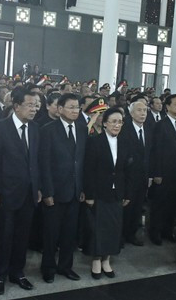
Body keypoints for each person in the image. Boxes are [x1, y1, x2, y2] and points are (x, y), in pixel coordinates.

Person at [0, 87, 41, 295]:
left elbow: (36, 162)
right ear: (16, 106)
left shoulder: (35, 129)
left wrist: (38, 187)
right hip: (5, 193)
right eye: (29, 105)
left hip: (28, 192)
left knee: (22, 236)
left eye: (36, 105)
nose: (34, 109)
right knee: (3, 237)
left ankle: (17, 272)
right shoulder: (0, 129)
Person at [39, 93, 85, 282]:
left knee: (69, 233)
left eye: (77, 108)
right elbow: (44, 163)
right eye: (71, 107)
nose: (75, 111)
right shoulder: (48, 130)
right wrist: (48, 191)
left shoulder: (82, 129)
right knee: (51, 233)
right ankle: (48, 267)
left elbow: (82, 161)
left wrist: (82, 188)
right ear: (59, 109)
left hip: (75, 191)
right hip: (55, 191)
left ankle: (65, 266)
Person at [83, 108, 133, 278]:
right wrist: (89, 194)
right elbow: (88, 170)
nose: (117, 125)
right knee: (98, 227)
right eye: (113, 121)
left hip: (117, 191)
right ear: (104, 123)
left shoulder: (125, 142)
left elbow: (127, 171)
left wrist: (127, 193)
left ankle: (107, 259)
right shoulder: (95, 142)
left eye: (120, 122)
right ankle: (96, 259)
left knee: (114, 227)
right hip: (99, 191)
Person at [150, 94, 176, 245]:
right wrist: (157, 172)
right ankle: (155, 232)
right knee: (160, 205)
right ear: (167, 106)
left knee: (173, 204)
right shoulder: (161, 125)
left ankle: (168, 230)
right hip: (164, 172)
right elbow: (156, 150)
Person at [119, 100, 152, 246]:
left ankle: (131, 234)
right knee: (125, 207)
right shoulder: (124, 129)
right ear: (131, 113)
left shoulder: (149, 129)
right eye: (139, 110)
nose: (142, 113)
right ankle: (120, 235)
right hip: (127, 176)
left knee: (138, 208)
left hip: (143, 176)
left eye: (145, 110)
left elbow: (152, 153)